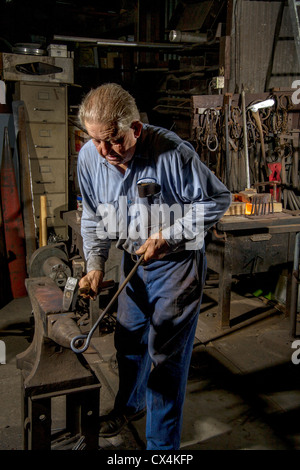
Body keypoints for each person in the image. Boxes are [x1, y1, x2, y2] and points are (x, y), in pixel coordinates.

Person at [77, 83, 231, 450]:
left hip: (177, 267)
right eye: (96, 140)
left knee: (166, 358)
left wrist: (171, 235)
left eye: (113, 140)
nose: (104, 151)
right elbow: (92, 216)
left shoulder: (173, 153)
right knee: (128, 341)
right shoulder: (90, 157)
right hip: (133, 264)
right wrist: (95, 263)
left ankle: (161, 449)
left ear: (136, 129)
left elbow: (217, 198)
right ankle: (129, 406)